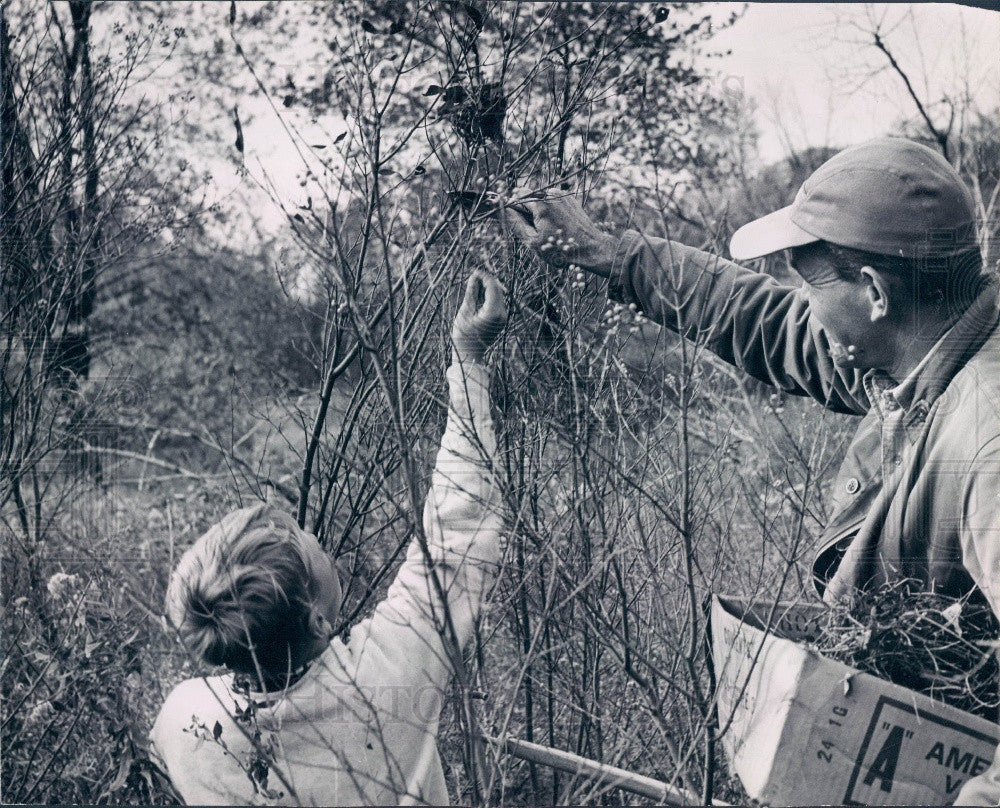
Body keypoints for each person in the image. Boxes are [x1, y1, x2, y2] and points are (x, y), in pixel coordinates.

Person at [506, 137, 1000, 805]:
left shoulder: (987, 440)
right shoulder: (927, 352)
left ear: (876, 292)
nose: (803, 303)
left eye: (809, 281)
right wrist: (610, 254)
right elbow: (767, 321)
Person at [149, 271, 507, 805]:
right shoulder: (387, 677)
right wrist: (469, 361)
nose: (313, 533)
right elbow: (459, 528)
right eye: (303, 540)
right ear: (317, 618)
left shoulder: (183, 722)